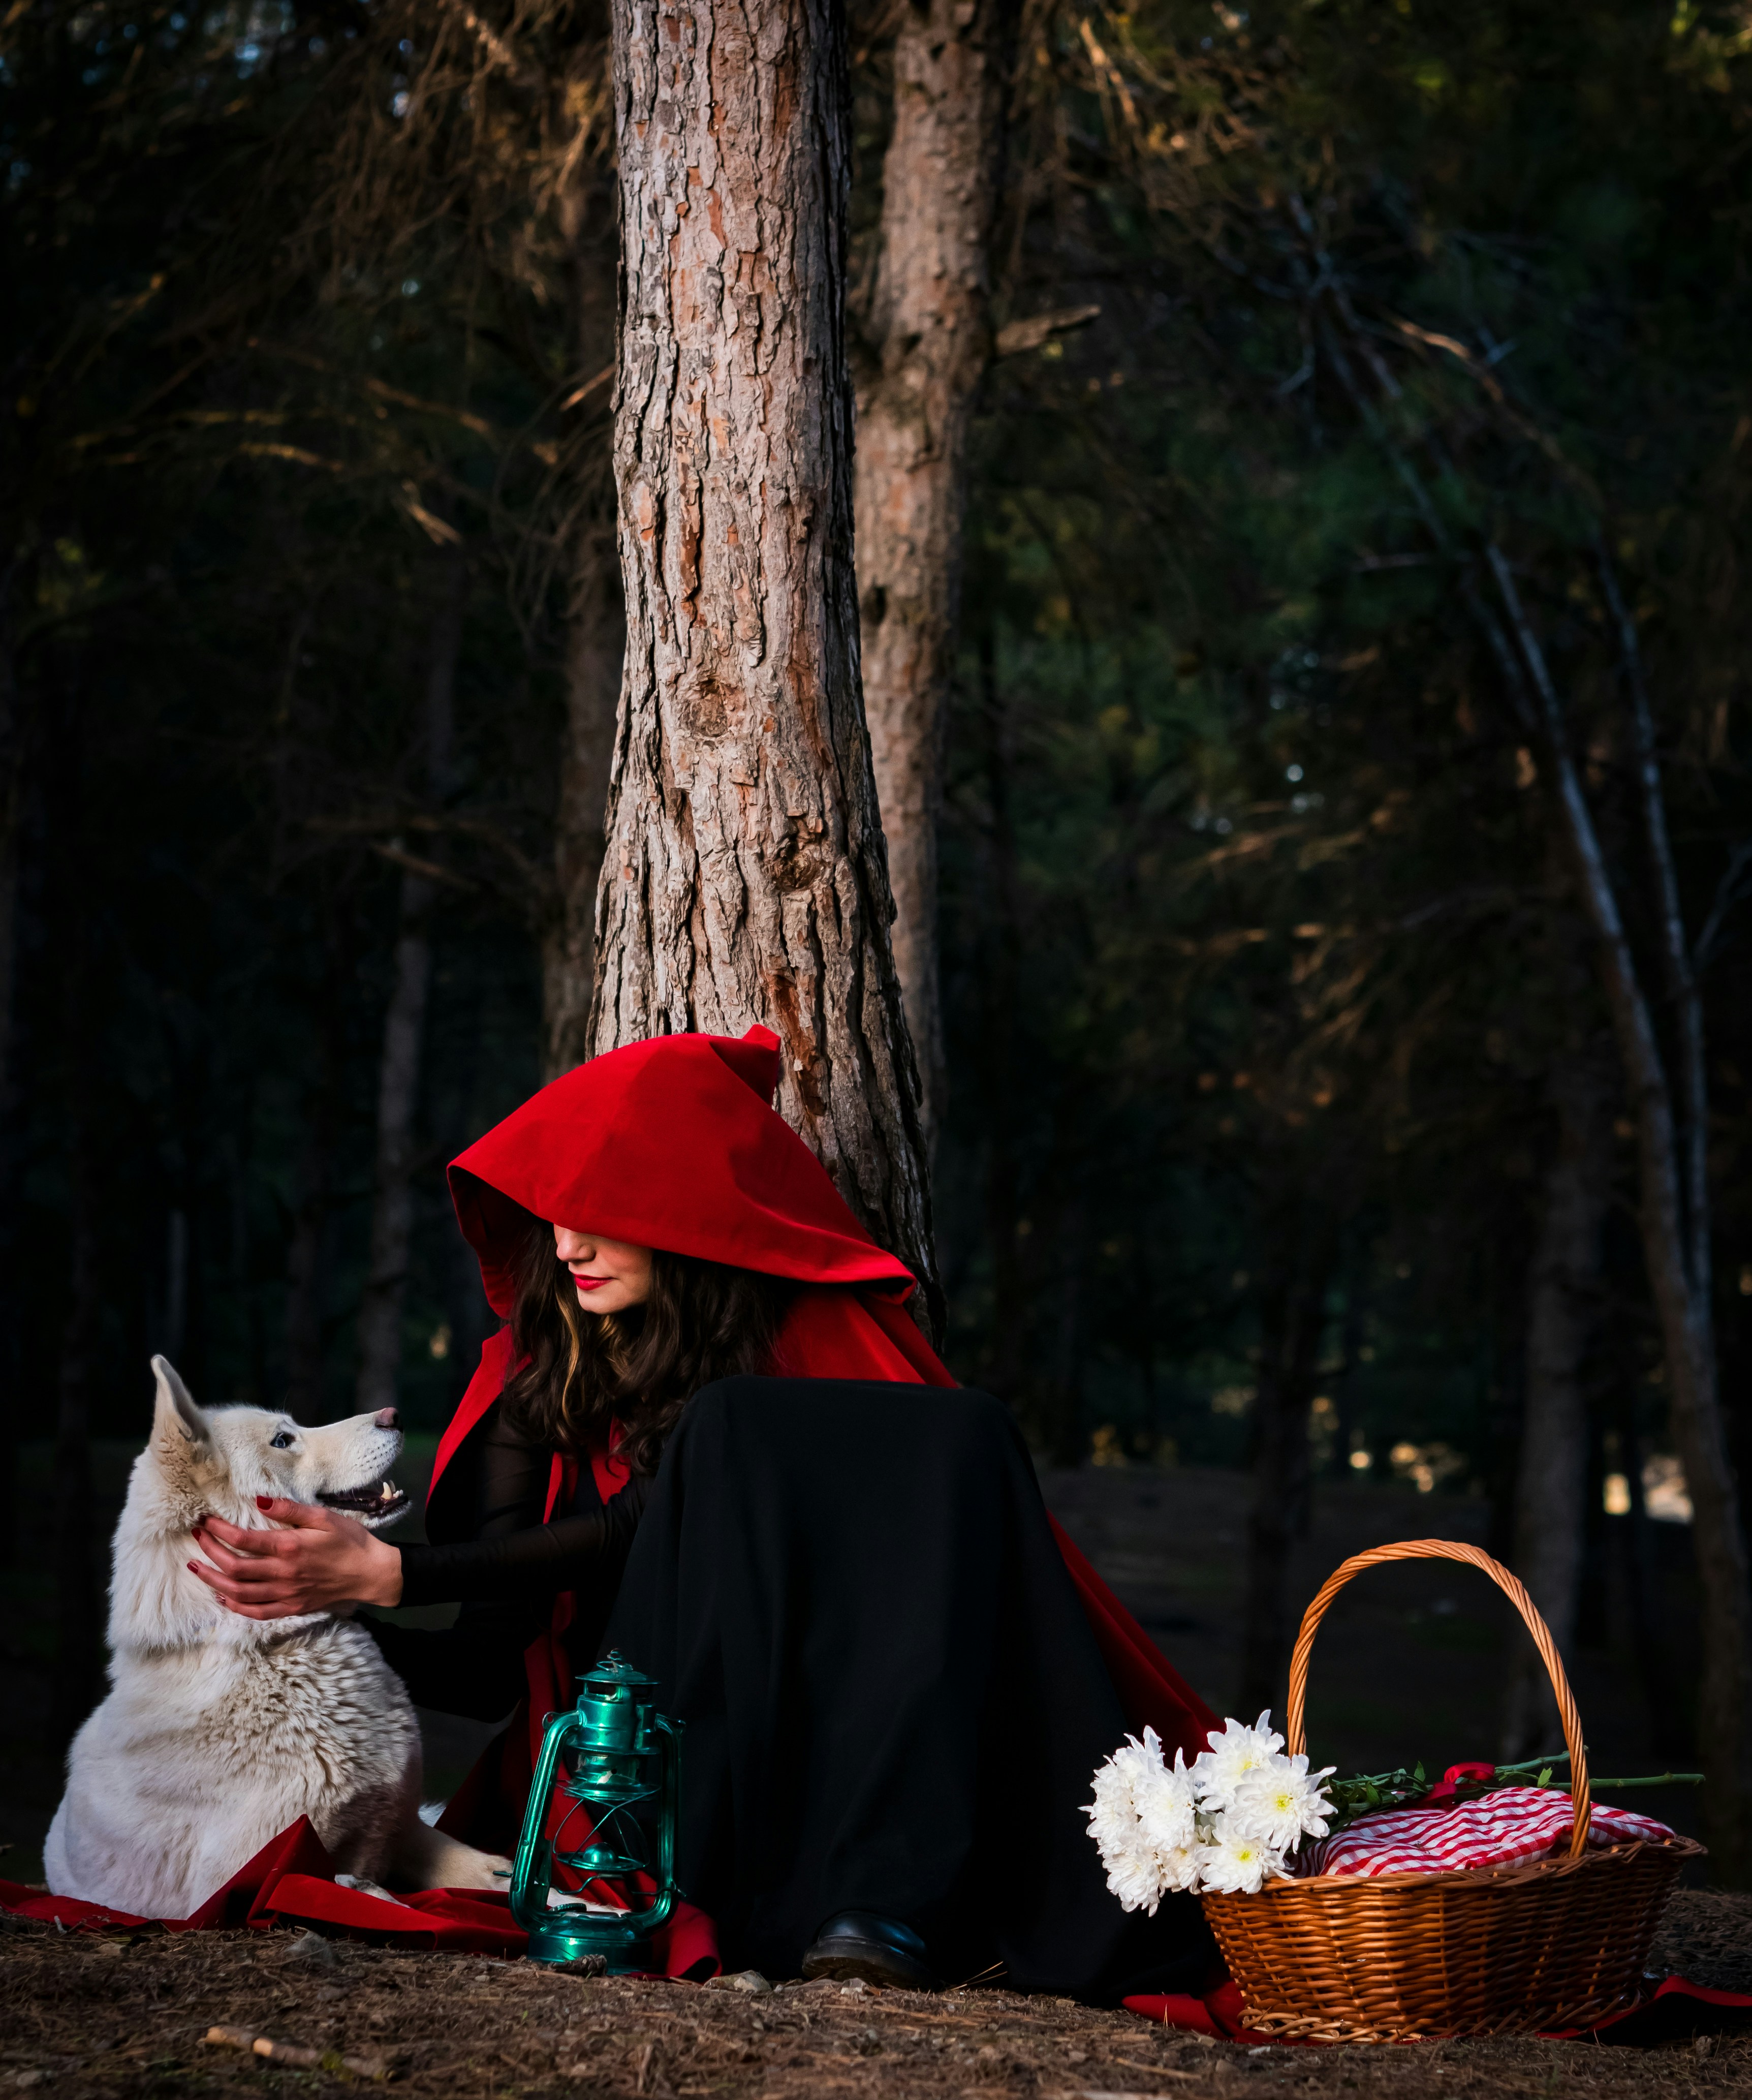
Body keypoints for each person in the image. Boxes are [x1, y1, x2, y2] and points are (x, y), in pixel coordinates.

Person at [192, 1026, 1216, 1998]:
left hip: (830, 1709)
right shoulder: (531, 1380)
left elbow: (702, 1508)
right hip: (648, 1725)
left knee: (951, 1431)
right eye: (555, 1210)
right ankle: (828, 1897)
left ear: (681, 1209)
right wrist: (324, 1620)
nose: (568, 1241)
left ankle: (879, 1906)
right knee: (740, 1429)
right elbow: (494, 1658)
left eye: (603, 1209)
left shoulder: (793, 1354)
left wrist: (399, 1571)